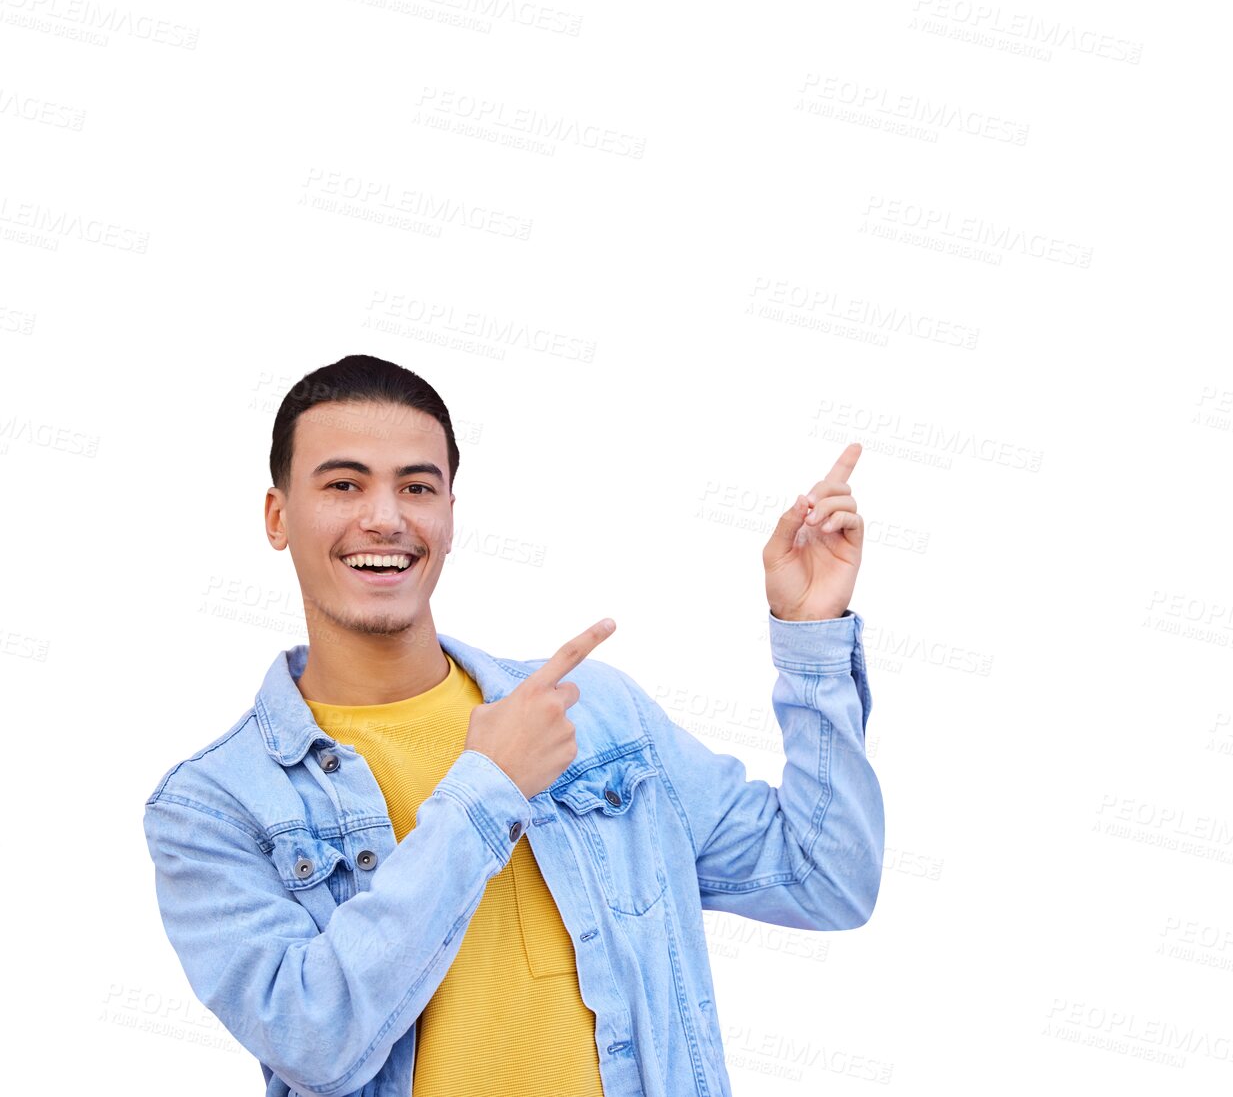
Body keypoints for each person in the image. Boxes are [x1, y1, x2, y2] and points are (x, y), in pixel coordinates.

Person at [142, 353, 885, 1097]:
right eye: (343, 484)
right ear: (278, 517)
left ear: (449, 516)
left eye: (417, 487)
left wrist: (810, 638)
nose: (385, 517)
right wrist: (485, 790)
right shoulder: (213, 807)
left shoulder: (592, 714)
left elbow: (827, 880)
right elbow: (315, 1043)